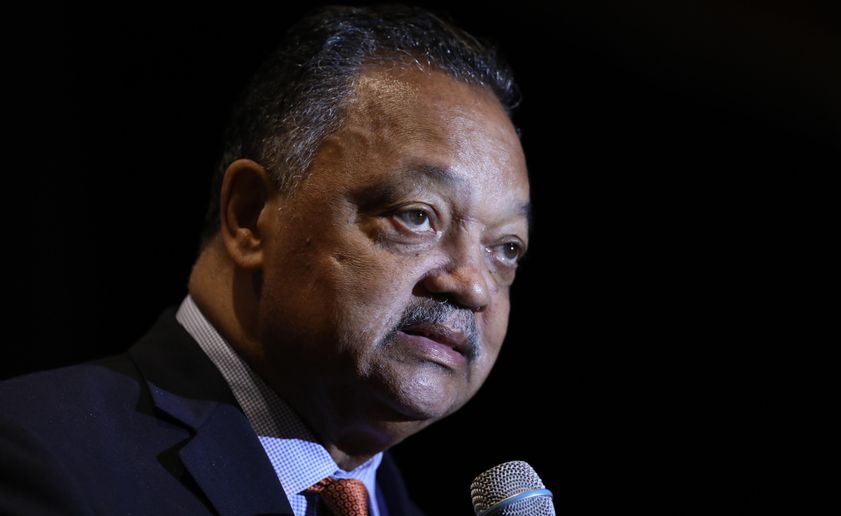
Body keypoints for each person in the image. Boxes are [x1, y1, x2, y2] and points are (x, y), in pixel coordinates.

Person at [1, 4, 530, 515]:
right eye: (417, 216)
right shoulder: (37, 452)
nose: (473, 285)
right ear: (250, 215)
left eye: (505, 248)